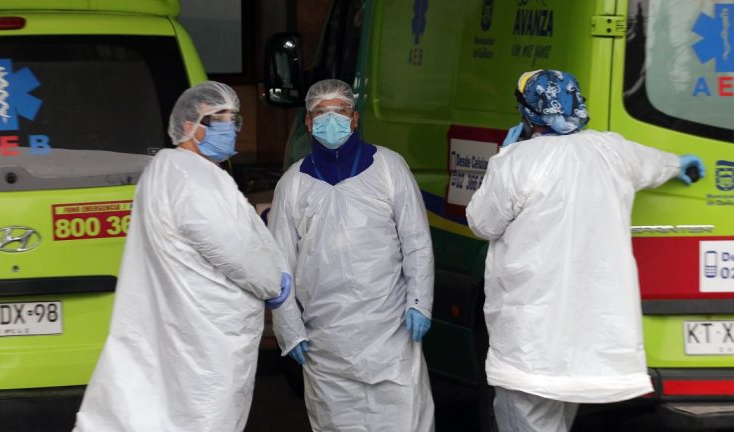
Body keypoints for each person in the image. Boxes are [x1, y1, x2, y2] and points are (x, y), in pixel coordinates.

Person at [466, 69, 706, 432]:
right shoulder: (611, 150)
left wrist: (504, 156)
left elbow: (482, 223)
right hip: (584, 343)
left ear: (528, 113)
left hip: (531, 342)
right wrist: (679, 165)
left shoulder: (516, 162)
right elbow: (652, 163)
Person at [73, 81, 292, 432]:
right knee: (201, 416)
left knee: (163, 410)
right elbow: (231, 246)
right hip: (207, 330)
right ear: (190, 126)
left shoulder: (168, 170)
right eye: (220, 119)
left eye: (233, 119)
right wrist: (273, 283)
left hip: (185, 322)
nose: (231, 128)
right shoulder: (191, 178)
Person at [268, 79, 436, 431]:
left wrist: (420, 302)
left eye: (340, 111)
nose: (332, 119)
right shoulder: (292, 185)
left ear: (355, 118)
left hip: (390, 334)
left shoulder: (389, 168)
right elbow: (279, 267)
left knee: (402, 421)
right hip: (326, 343)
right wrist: (290, 330)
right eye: (321, 112)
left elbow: (416, 242)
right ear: (308, 122)